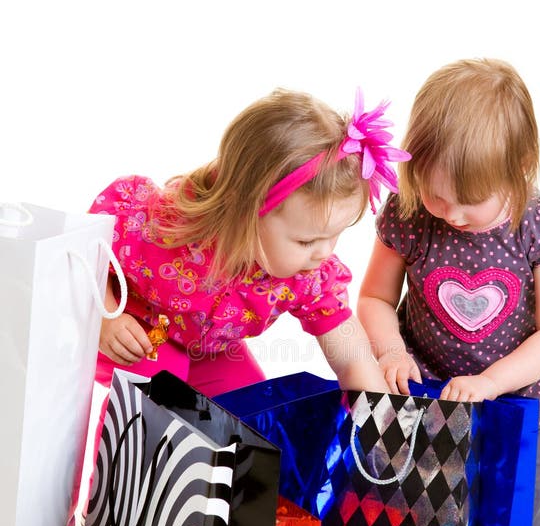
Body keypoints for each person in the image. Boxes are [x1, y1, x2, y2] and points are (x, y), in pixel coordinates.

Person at [358, 58, 540, 526]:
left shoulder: (538, 225)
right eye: (437, 195)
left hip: (516, 403)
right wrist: (391, 352)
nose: (452, 214)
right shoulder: (410, 214)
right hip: (426, 397)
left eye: (470, 200)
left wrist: (490, 383)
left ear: (519, 171)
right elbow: (374, 297)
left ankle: (537, 505)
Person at [91, 87, 410, 397]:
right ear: (244, 211)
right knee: (154, 403)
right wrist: (105, 318)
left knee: (253, 411)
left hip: (211, 352)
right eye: (305, 241)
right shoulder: (160, 227)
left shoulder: (309, 275)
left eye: (334, 236)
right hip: (141, 334)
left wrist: (381, 418)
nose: (324, 253)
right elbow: (88, 252)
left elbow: (352, 357)